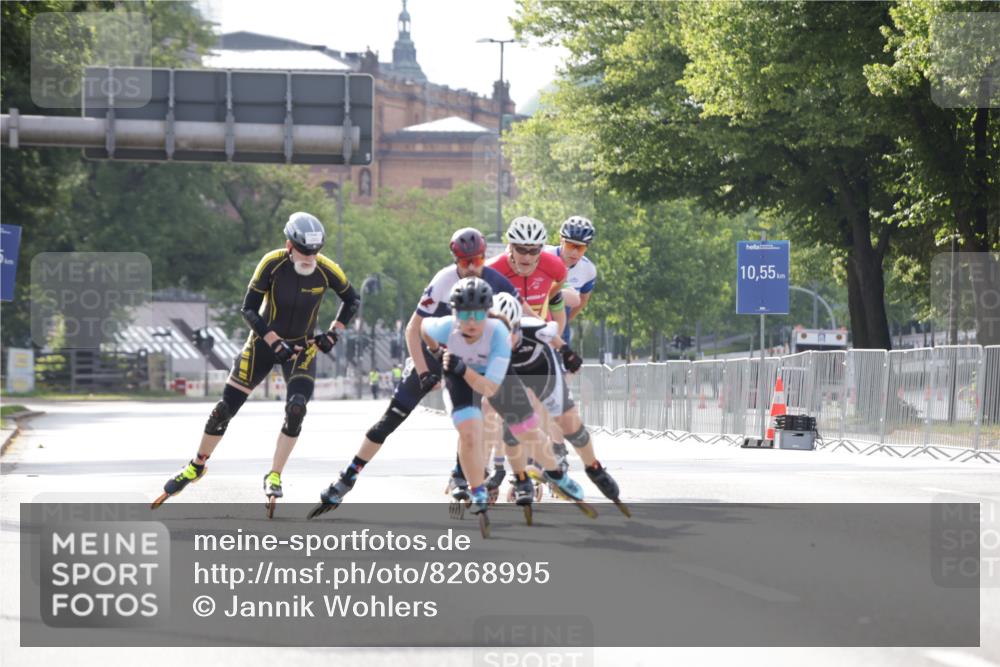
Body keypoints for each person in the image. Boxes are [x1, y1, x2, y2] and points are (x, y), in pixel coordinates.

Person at [152, 212, 359, 509]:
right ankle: (196, 465)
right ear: (289, 245)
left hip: (301, 349)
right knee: (224, 410)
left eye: (316, 252)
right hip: (262, 345)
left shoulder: (327, 269)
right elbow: (248, 309)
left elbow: (352, 299)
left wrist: (334, 333)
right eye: (304, 251)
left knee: (297, 408)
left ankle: (274, 475)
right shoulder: (272, 263)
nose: (311, 258)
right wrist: (273, 341)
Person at [310, 228, 520, 511]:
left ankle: (460, 476)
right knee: (390, 419)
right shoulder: (444, 280)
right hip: (436, 348)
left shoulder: (498, 282)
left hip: (470, 357)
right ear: (455, 260)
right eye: (464, 262)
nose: (471, 267)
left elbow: (519, 321)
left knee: (471, 418)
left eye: (477, 260)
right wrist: (424, 370)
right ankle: (347, 477)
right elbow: (413, 329)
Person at [491, 292, 626, 511]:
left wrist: (566, 351)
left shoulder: (533, 327)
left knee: (571, 426)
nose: (506, 338)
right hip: (513, 374)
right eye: (499, 333)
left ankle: (594, 468)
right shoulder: (486, 338)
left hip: (544, 370)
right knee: (512, 426)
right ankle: (522, 477)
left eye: (511, 331)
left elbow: (554, 337)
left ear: (518, 326)